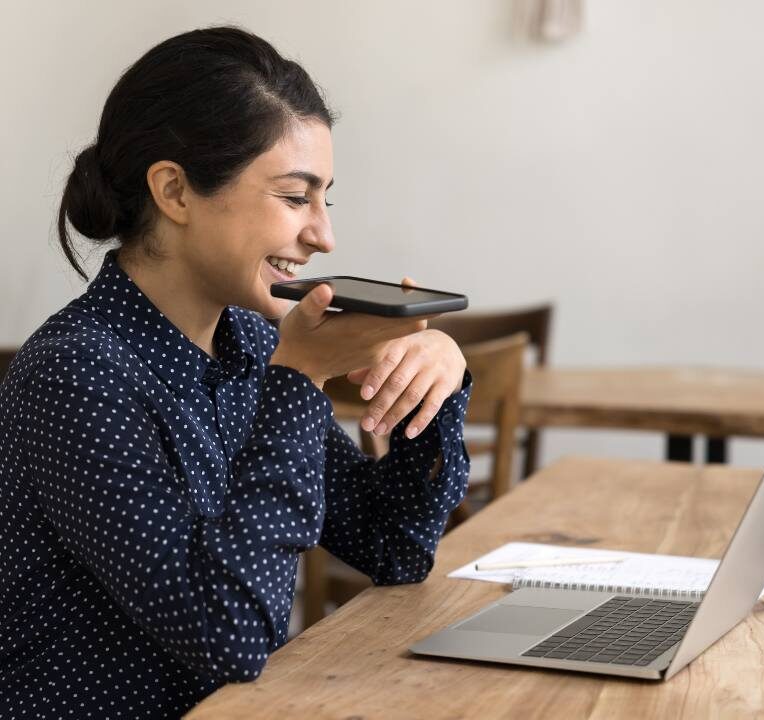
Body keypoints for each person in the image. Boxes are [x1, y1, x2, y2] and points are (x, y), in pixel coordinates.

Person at [0, 26, 471, 718]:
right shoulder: (73, 376)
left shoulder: (247, 343)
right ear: (176, 192)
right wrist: (301, 377)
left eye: (325, 199)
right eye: (292, 197)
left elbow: (390, 544)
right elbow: (228, 637)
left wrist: (438, 384)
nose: (323, 235)